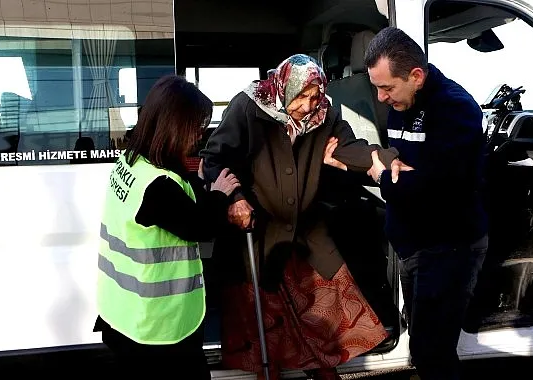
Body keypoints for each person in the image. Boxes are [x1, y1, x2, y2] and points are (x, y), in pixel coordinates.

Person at [199, 54, 406, 380]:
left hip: (306, 234)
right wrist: (235, 199)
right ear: (284, 88)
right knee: (268, 338)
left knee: (324, 327)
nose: (310, 105)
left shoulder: (326, 113)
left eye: (315, 96)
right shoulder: (248, 108)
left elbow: (348, 147)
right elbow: (214, 159)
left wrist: (381, 160)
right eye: (302, 97)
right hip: (260, 236)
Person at [93, 75, 240, 378]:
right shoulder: (157, 186)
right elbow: (197, 226)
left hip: (123, 315)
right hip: (158, 329)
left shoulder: (132, 162)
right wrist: (219, 194)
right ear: (174, 125)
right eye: (196, 127)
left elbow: (176, 208)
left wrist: (197, 183)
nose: (199, 136)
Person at [363, 27, 489, 380]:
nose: (382, 97)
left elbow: (436, 188)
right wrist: (397, 170)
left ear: (416, 76)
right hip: (413, 243)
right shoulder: (404, 101)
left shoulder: (455, 109)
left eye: (387, 88)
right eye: (377, 87)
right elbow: (405, 167)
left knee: (432, 352)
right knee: (423, 346)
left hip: (448, 247)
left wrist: (382, 175)